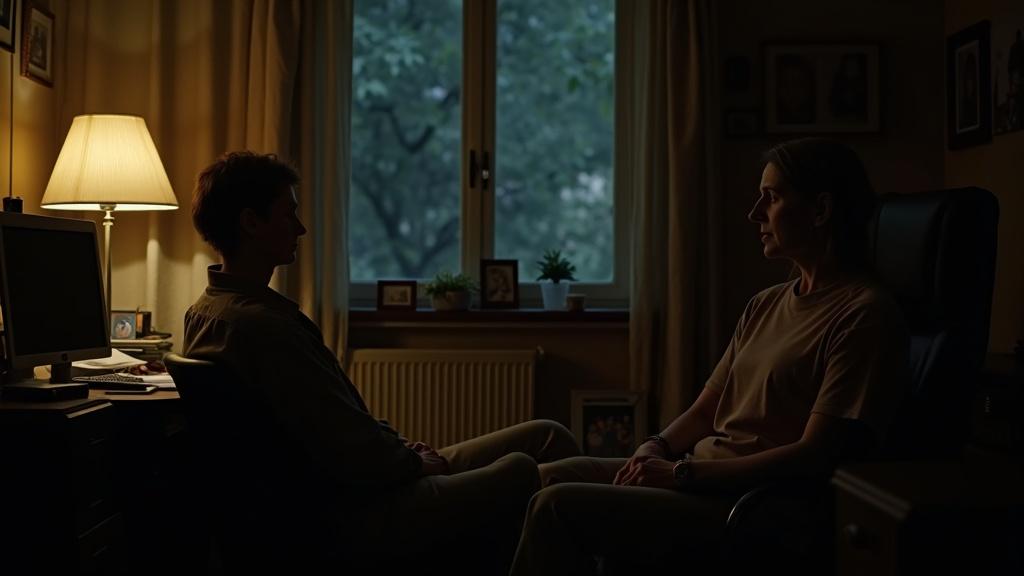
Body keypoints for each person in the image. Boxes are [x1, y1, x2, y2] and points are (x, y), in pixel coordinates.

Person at [510, 138, 910, 575]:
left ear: (821, 210)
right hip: (695, 473)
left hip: (746, 504)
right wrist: (655, 446)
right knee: (546, 476)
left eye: (772, 197)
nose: (755, 213)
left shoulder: (863, 315)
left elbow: (814, 454)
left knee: (555, 506)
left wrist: (680, 475)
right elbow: (706, 410)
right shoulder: (765, 304)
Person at [183, 151, 580, 574]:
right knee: (520, 470)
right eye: (288, 214)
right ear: (250, 222)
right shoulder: (263, 328)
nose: (300, 228)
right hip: (346, 516)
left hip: (360, 484)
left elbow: (336, 424)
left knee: (546, 437)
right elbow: (345, 449)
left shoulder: (206, 312)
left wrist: (402, 449)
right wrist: (412, 463)